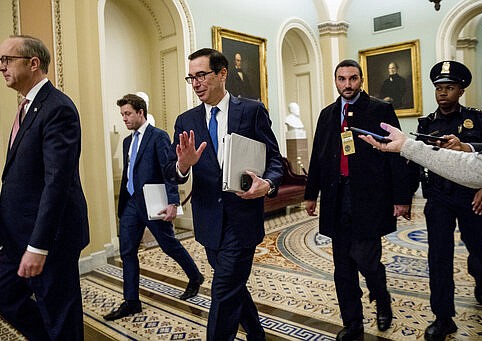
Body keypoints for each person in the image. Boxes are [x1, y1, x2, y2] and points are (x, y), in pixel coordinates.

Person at [164, 48, 283, 341]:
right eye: (191, 78)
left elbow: (275, 160)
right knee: (233, 287)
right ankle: (257, 334)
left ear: (222, 74)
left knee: (223, 289)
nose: (196, 83)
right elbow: (171, 169)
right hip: (209, 223)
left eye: (202, 75)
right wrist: (183, 165)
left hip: (242, 218)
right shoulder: (186, 121)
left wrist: (267, 185)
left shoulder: (252, 110)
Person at [0, 35, 89, 340]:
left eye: (7, 60)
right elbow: (24, 176)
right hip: (18, 235)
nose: (1, 68)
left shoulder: (57, 108)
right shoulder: (27, 107)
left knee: (61, 314)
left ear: (33, 63)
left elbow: (56, 182)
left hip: (50, 239)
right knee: (3, 295)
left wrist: (38, 246)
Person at [304, 59, 411, 341]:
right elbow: (318, 155)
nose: (347, 85)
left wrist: (402, 198)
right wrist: (310, 194)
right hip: (336, 198)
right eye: (342, 79)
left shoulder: (380, 109)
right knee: (343, 267)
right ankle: (352, 323)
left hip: (368, 198)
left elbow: (396, 155)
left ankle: (382, 299)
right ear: (335, 81)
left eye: (353, 79)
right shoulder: (327, 114)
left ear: (361, 80)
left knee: (367, 260)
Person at [408, 60, 482, 341]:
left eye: (449, 88)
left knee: (479, 249)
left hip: (472, 197)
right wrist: (404, 199)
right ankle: (443, 317)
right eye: (438, 88)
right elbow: (416, 160)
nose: (442, 93)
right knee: (439, 258)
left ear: (461, 90)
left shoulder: (477, 120)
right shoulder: (426, 124)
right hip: (439, 199)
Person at [103, 94, 203, 321]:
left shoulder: (158, 137)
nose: (124, 119)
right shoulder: (128, 141)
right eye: (122, 115)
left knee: (169, 245)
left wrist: (173, 202)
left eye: (128, 114)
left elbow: (168, 170)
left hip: (153, 203)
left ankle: (195, 276)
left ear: (141, 112)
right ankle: (131, 301)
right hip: (130, 204)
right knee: (127, 251)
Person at [358, 122, 482, 188]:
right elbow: (481, 165)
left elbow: (480, 167)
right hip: (437, 191)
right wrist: (405, 146)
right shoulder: (428, 121)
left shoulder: (475, 117)